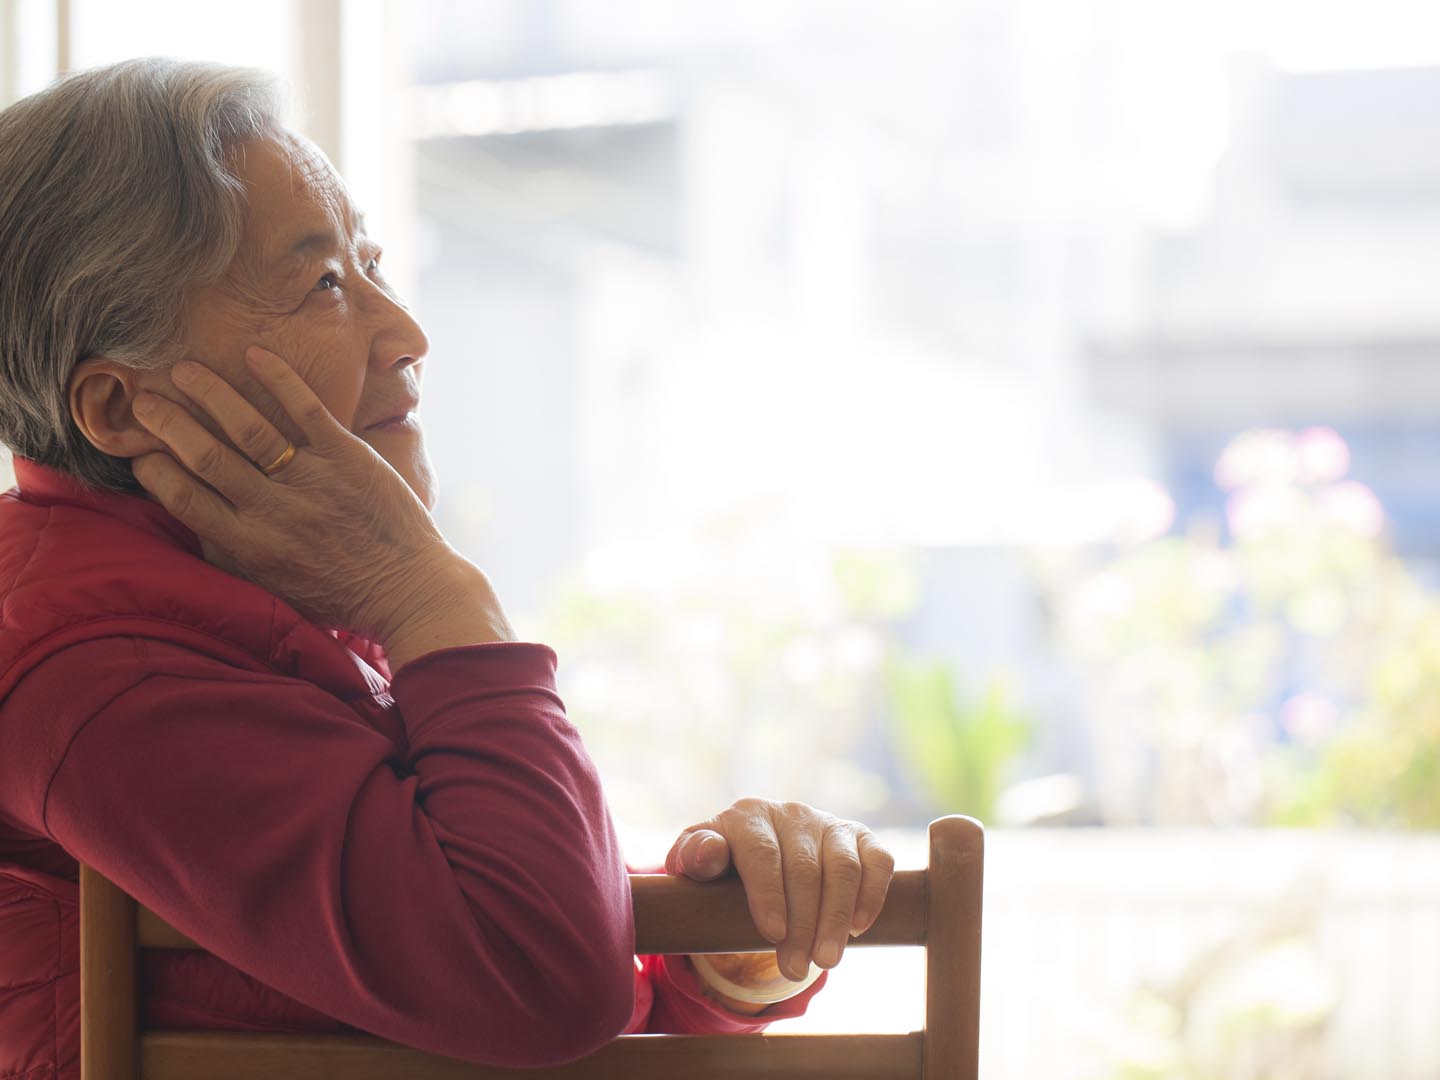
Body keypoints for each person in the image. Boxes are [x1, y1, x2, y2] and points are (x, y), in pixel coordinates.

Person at [0, 57, 896, 1077]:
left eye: (373, 265)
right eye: (326, 284)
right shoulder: (103, 671)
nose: (408, 333)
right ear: (121, 409)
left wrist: (730, 953)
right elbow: (540, 979)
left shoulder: (236, 611)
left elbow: (451, 987)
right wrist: (433, 594)